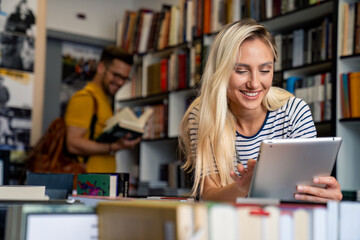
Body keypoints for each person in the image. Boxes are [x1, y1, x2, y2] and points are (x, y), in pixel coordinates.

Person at [178, 18, 342, 203]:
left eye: (265, 70)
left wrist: (325, 198)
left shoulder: (294, 112)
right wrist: (242, 187)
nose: (254, 83)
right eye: (241, 70)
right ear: (220, 71)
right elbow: (209, 196)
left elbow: (306, 194)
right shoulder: (203, 116)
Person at [64, 45, 141, 173]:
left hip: (100, 185)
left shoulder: (104, 100)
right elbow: (73, 144)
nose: (120, 82)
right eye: (116, 75)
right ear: (101, 68)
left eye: (124, 78)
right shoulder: (85, 98)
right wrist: (113, 146)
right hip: (88, 184)